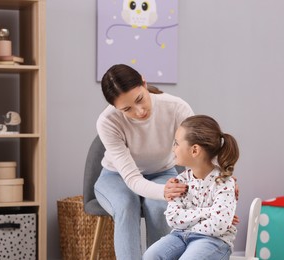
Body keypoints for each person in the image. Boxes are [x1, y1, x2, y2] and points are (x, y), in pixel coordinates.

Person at [94, 64, 194, 260]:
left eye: (140, 99)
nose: (139, 111)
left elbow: (200, 148)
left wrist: (219, 178)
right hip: (116, 177)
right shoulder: (107, 122)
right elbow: (132, 179)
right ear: (115, 108)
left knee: (159, 208)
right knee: (125, 205)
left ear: (144, 82)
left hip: (162, 172)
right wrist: (163, 192)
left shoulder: (176, 108)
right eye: (127, 109)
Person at [143, 115, 239, 260]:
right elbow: (173, 218)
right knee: (151, 255)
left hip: (214, 240)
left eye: (176, 143)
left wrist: (187, 224)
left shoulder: (224, 182)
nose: (173, 148)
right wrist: (208, 212)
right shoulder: (180, 182)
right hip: (180, 236)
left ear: (194, 150)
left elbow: (219, 225)